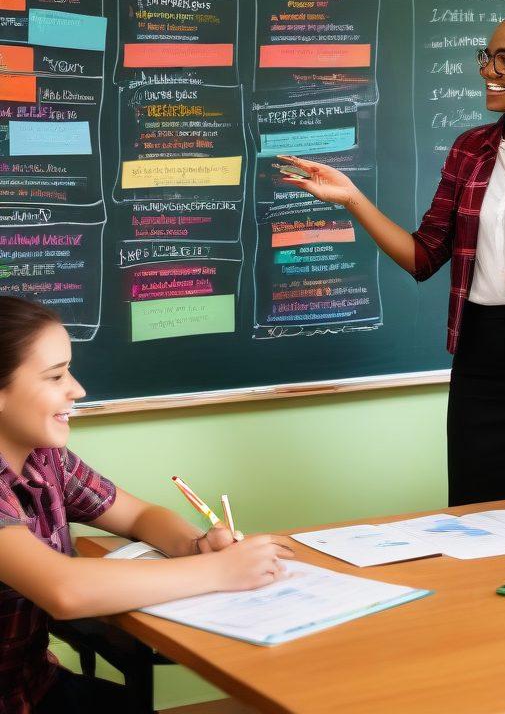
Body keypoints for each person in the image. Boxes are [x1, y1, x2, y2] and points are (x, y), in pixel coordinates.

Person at [280, 5, 505, 506]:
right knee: (477, 522)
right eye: (487, 57)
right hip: (481, 363)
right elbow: (422, 256)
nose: (488, 71)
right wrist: (353, 199)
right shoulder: (469, 150)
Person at [0, 295, 293, 713]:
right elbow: (64, 589)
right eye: (55, 376)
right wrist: (219, 571)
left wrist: (194, 545)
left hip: (34, 686)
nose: (77, 389)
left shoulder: (45, 458)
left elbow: (139, 515)